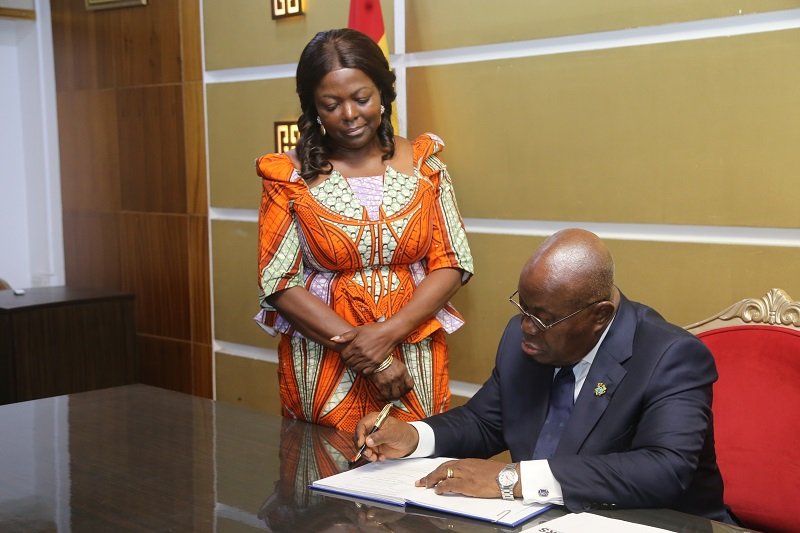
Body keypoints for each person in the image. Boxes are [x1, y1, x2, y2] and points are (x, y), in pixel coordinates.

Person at [355, 228, 734, 523]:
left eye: (542, 318)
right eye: (523, 308)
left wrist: (512, 479)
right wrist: (414, 435)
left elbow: (665, 468)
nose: (526, 328)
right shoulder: (526, 341)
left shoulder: (669, 356)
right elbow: (485, 421)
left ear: (599, 316)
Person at [255, 28, 474, 432]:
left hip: (413, 354)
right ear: (313, 107)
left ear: (383, 94)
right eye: (331, 104)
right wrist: (375, 358)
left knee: (413, 468)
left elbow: (452, 262)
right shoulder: (288, 176)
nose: (350, 115)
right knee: (325, 474)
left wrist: (388, 336)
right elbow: (279, 281)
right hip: (325, 361)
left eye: (361, 98)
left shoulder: (425, 165)